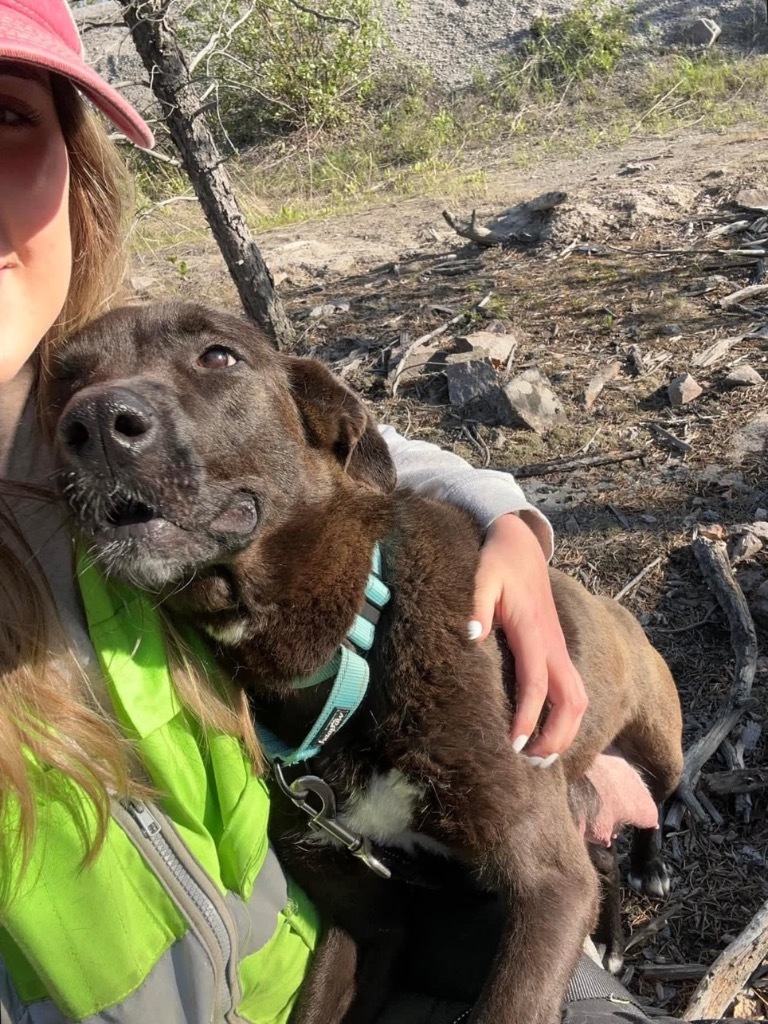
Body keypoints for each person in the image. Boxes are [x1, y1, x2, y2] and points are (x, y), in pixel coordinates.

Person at [0, 3, 663, 1022]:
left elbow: (329, 447)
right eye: (83, 419)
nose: (105, 421)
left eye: (6, 117)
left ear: (78, 182)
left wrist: (511, 521)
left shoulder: (64, 400)